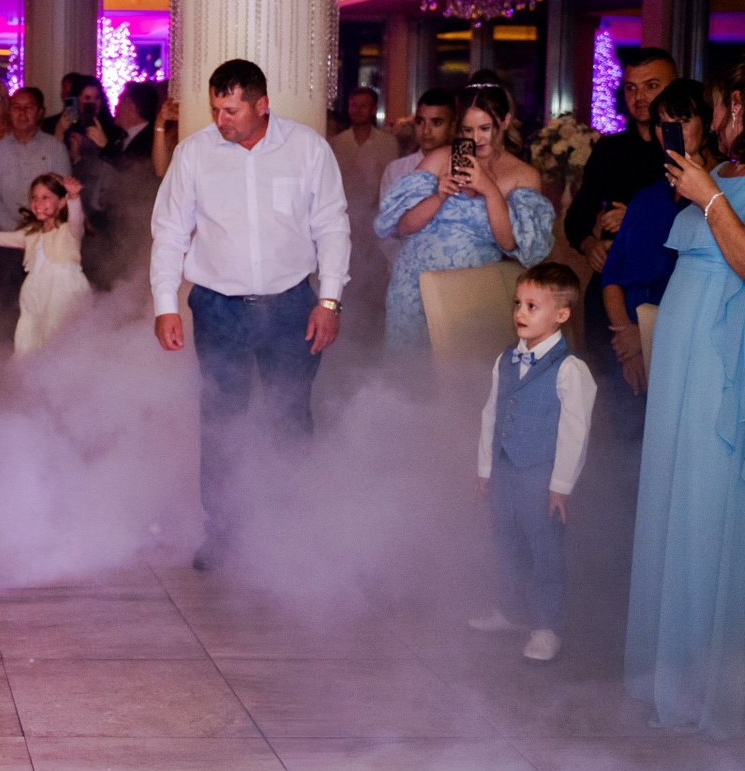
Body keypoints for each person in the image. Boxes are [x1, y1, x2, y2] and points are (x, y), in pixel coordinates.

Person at [149, 59, 350, 571]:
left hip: (291, 304)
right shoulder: (194, 153)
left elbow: (332, 226)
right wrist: (165, 305)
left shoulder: (307, 148)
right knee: (222, 418)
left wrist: (329, 301)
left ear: (262, 105)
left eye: (231, 110)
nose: (220, 120)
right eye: (216, 109)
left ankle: (294, 531)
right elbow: (169, 232)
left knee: (291, 416)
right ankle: (225, 535)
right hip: (218, 307)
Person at [624, 58, 745, 738]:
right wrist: (703, 188)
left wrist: (711, 199)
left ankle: (711, 684)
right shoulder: (719, 171)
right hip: (682, 358)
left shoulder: (719, 184)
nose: (720, 117)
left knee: (708, 503)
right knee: (675, 498)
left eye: (723, 105)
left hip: (723, 361)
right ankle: (671, 671)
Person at [468, 263, 596, 662]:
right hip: (506, 471)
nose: (520, 313)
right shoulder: (505, 359)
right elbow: (491, 413)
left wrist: (561, 485)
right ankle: (512, 612)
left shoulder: (570, 369)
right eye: (518, 303)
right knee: (506, 541)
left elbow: (575, 433)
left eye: (532, 306)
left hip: (541, 477)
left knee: (544, 550)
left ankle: (546, 626)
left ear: (562, 314)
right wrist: (486, 469)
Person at [375, 83, 553, 349]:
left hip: (471, 291)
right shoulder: (441, 158)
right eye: (468, 130)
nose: (476, 138)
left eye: (485, 128)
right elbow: (402, 226)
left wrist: (490, 190)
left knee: (462, 367)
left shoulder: (523, 175)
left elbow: (508, 242)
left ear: (505, 122)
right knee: (407, 367)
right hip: (414, 282)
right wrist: (439, 196)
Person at [601, 79, 719, 394]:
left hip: (689, 340)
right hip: (627, 340)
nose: (670, 132)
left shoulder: (721, 192)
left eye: (681, 121)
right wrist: (628, 337)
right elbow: (611, 274)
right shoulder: (647, 196)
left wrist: (646, 335)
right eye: (662, 124)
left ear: (709, 124)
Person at [0, 173, 89, 354]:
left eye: (45, 197)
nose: (38, 203)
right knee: (30, 340)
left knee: (60, 342)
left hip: (63, 292)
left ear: (62, 202)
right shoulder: (29, 234)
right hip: (34, 294)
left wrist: (74, 197)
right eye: (34, 198)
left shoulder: (70, 231)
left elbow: (76, 219)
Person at [565, 49, 676, 273]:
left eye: (651, 86)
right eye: (631, 88)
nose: (639, 97)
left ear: (673, 89)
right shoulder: (610, 149)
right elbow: (577, 217)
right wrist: (589, 245)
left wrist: (636, 217)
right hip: (617, 269)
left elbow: (698, 217)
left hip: (670, 272)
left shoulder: (683, 149)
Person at [0, 87, 72, 323]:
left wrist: (39, 232)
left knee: (47, 305)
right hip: (7, 242)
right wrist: (17, 232)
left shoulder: (55, 148)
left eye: (28, 107)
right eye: (16, 108)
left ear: (41, 112)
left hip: (47, 240)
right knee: (10, 306)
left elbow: (64, 196)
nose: (22, 113)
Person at [329, 86, 401, 341]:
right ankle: (347, 336)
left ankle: (373, 338)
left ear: (373, 109)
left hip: (376, 224)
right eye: (353, 105)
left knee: (376, 284)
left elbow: (392, 184)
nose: (357, 110)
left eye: (363, 105)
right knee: (347, 281)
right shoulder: (337, 143)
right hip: (347, 223)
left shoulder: (388, 143)